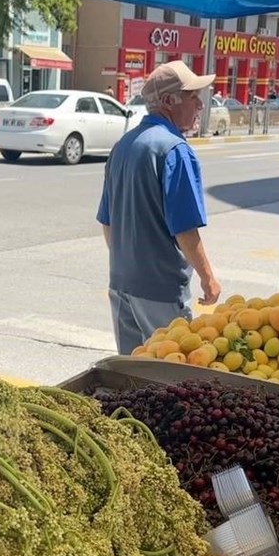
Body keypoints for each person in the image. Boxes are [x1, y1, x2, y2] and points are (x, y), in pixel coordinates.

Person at [97, 60, 221, 355]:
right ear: (169, 101)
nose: (200, 106)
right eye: (193, 97)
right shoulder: (174, 150)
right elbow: (185, 231)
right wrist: (208, 279)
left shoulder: (123, 146)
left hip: (121, 282)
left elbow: (107, 222)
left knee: (130, 375)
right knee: (167, 375)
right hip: (160, 290)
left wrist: (128, 264)